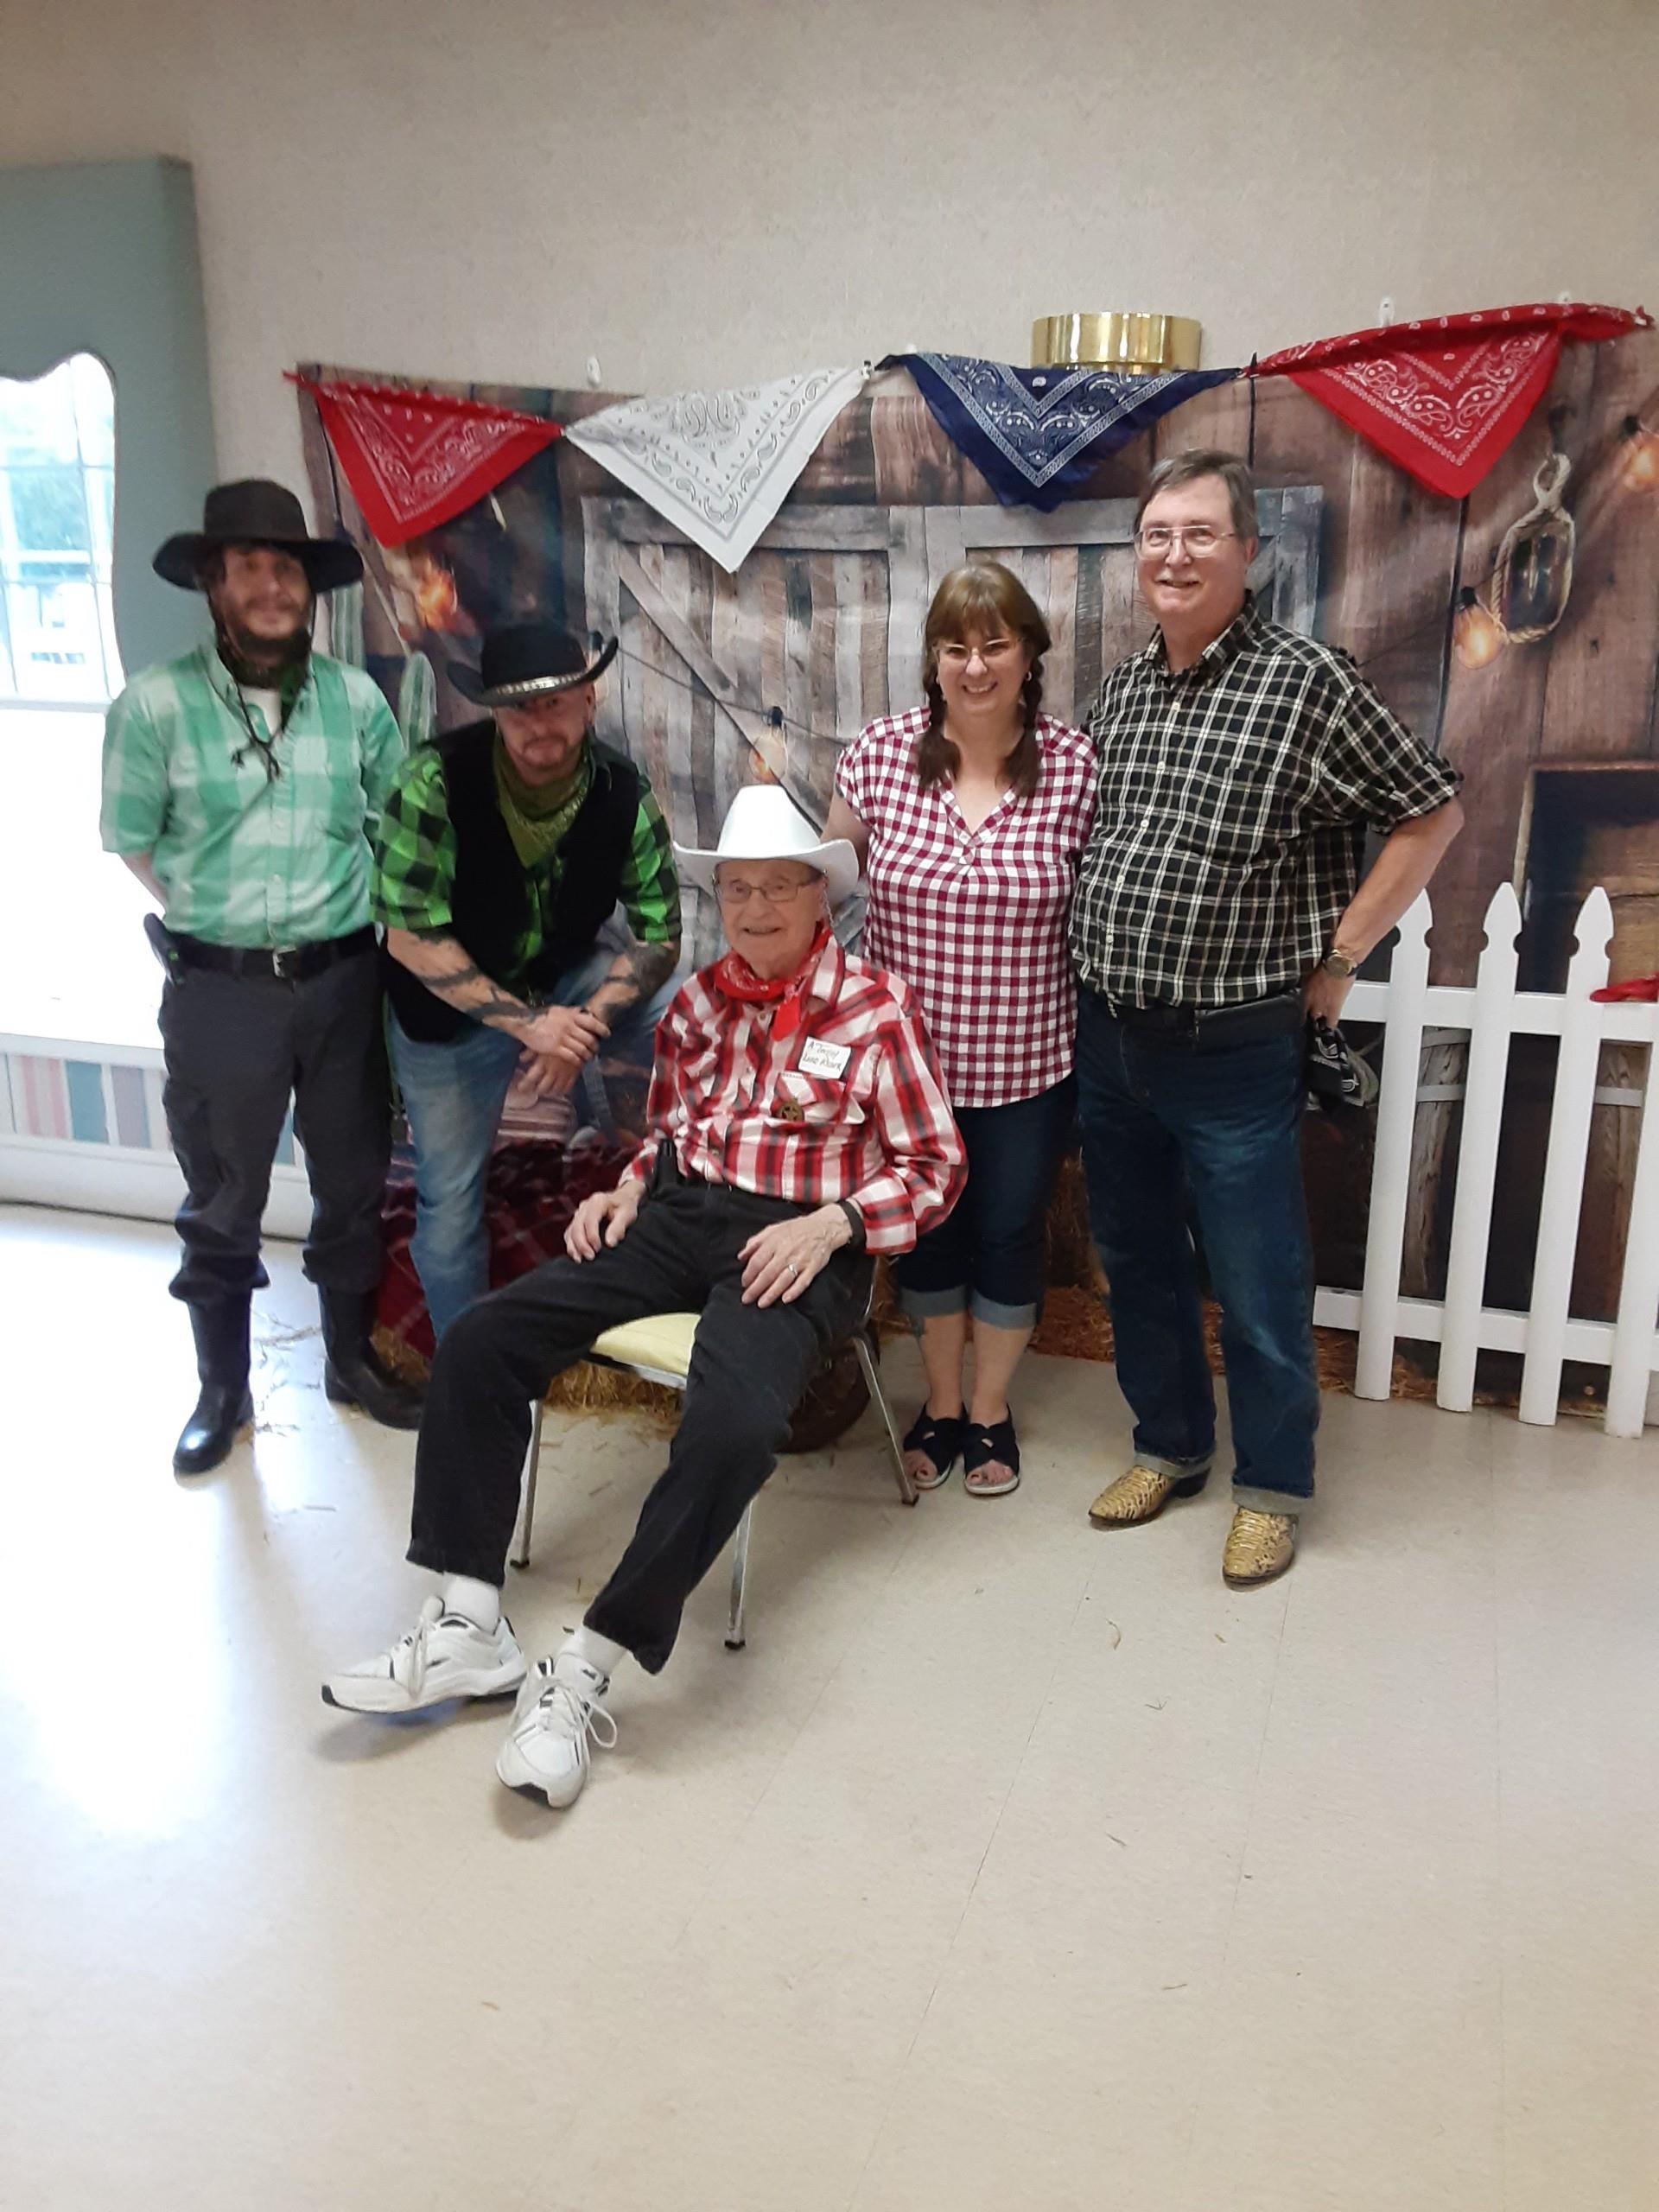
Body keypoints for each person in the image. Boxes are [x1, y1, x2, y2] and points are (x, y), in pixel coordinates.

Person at [323, 785, 964, 1810]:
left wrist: (835, 1223)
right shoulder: (703, 1000)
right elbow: (670, 1132)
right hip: (677, 1213)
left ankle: (587, 1664)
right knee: (485, 1337)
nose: (754, 910)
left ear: (819, 896)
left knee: (734, 1424)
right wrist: (624, 1188)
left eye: (777, 889)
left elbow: (935, 1165)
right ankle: (470, 1618)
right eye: (738, 890)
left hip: (799, 1237)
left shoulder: (876, 1008)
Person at [1072, 449, 1465, 1587]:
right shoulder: (1124, 691)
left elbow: (1429, 811)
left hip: (1234, 1048)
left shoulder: (1309, 684)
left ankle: (1274, 1484)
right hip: (1112, 1041)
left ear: (1250, 553)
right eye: (1157, 534)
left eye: (1201, 533)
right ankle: (1171, 1446)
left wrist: (1343, 954)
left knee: (1255, 1272)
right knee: (1136, 1259)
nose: (1175, 553)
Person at [100, 480, 423, 1475]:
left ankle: (344, 1359)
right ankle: (223, 1389)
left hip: (341, 983)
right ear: (213, 582)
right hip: (221, 993)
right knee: (224, 1195)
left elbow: (392, 829)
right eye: (250, 567)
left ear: (308, 588)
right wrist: (224, 930)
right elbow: (134, 845)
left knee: (352, 1181)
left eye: (287, 568)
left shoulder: (358, 701)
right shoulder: (152, 705)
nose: (273, 586)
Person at [826, 563, 1095, 1497]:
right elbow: (825, 896)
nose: (975, 664)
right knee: (928, 1236)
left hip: (1029, 1065)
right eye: (955, 646)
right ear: (933, 662)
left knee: (1011, 1232)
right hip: (908, 1071)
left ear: (1029, 656)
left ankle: (991, 1410)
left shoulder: (1073, 766)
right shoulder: (878, 755)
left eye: (995, 644)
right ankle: (939, 1404)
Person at [372, 621, 683, 1341]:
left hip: (564, 981)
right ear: (493, 712)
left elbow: (660, 935)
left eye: (556, 703)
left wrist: (581, 1030)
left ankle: (687, 1177)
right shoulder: (433, 781)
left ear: (589, 700)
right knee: (449, 1199)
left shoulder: (622, 790)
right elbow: (409, 937)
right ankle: (465, 1369)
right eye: (519, 709)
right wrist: (529, 1026)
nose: (539, 723)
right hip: (447, 1010)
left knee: (685, 1007)